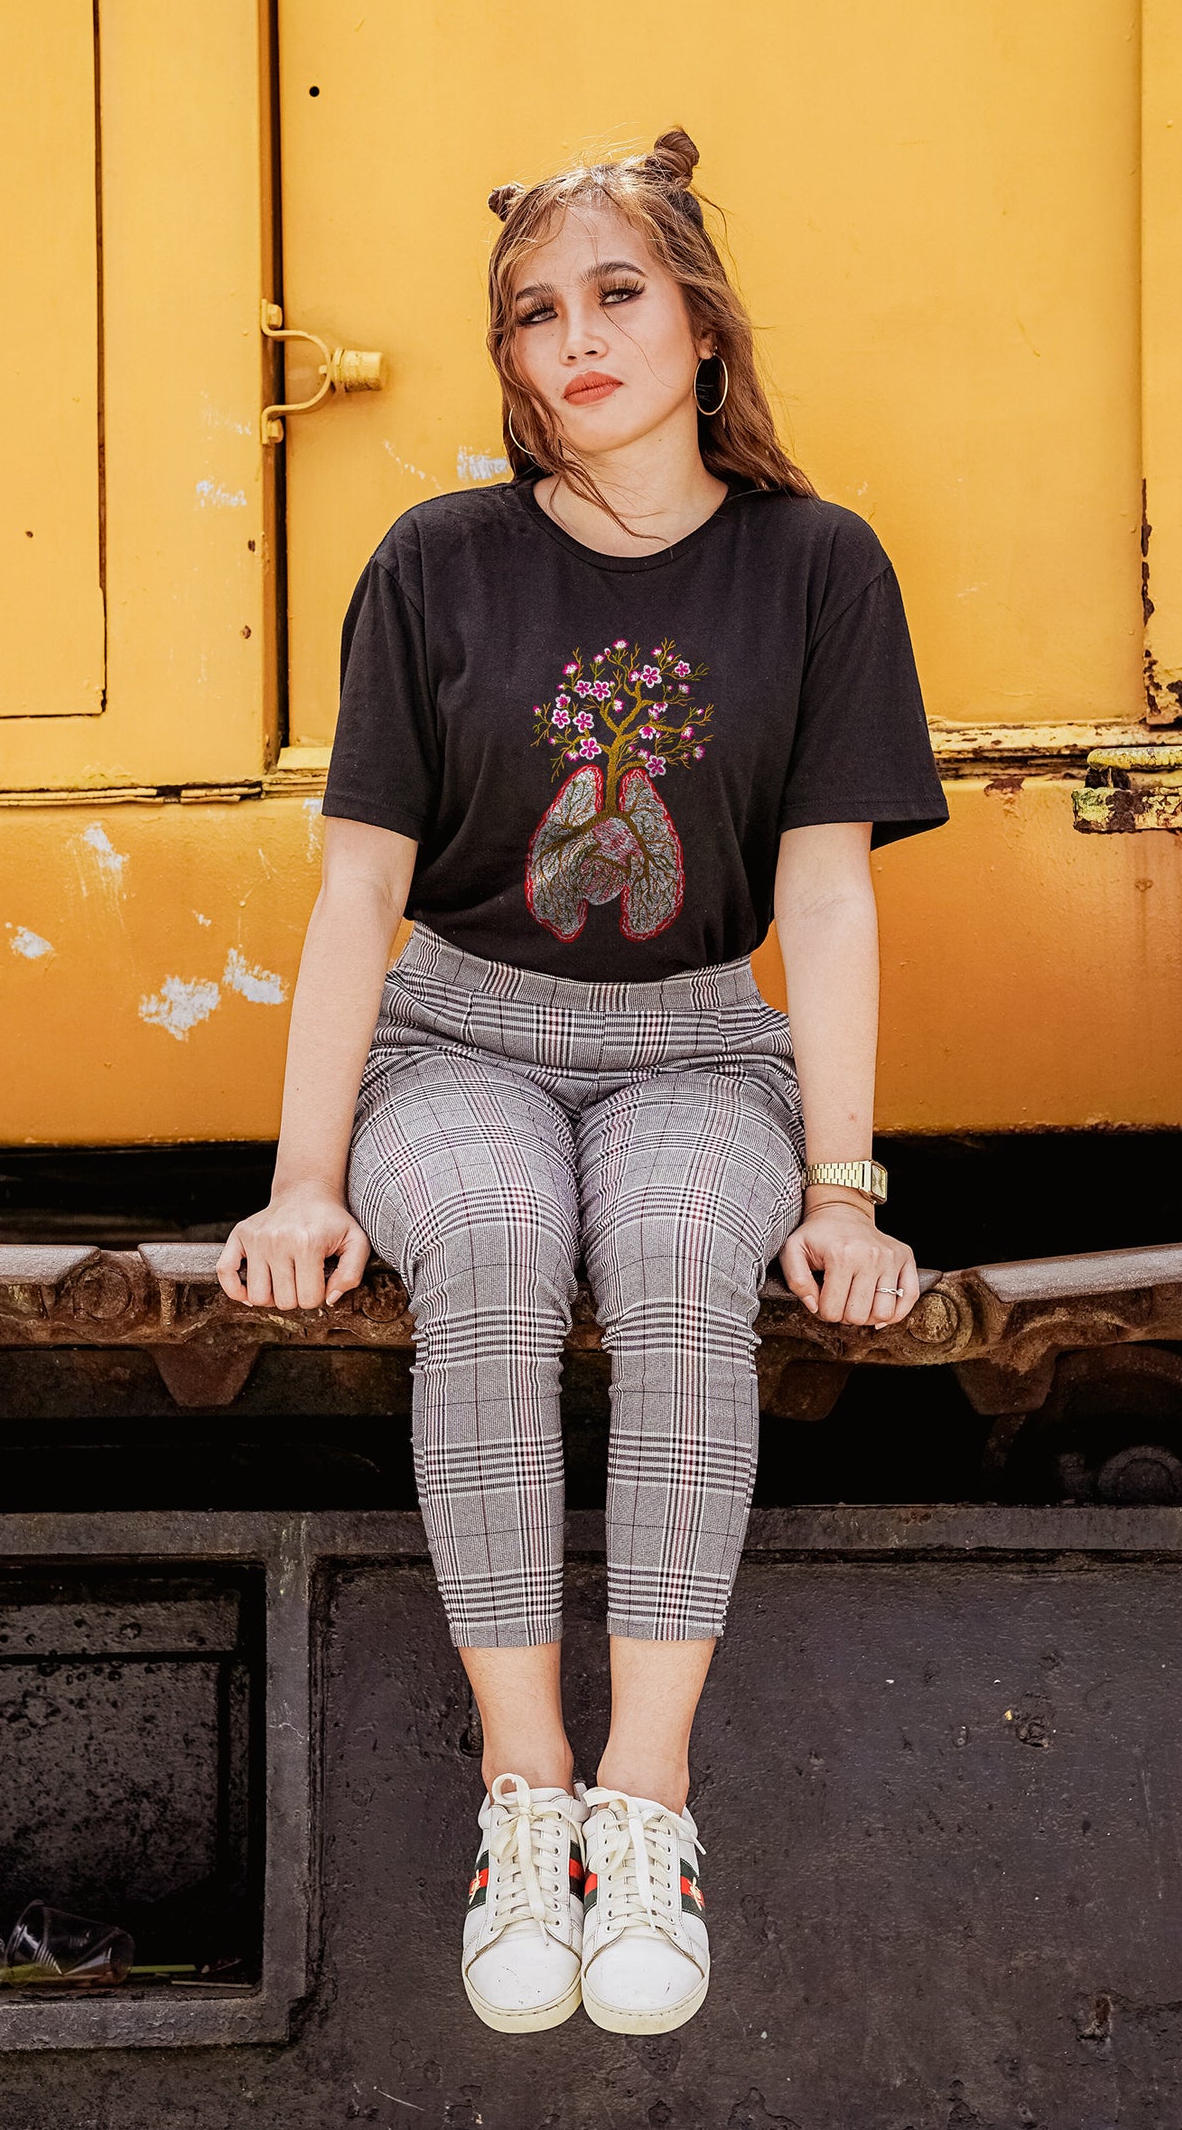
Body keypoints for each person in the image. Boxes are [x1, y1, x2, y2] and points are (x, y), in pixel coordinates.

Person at [218, 127, 949, 2037]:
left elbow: (824, 898)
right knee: (487, 1237)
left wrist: (842, 1190)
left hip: (698, 1040)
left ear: (701, 325)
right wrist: (304, 1178)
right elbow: (359, 891)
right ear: (513, 360)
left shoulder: (815, 565)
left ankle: (646, 1805)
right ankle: (522, 1790)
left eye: (617, 294)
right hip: (455, 1035)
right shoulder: (436, 562)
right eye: (536, 314)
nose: (578, 340)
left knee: (686, 1254)